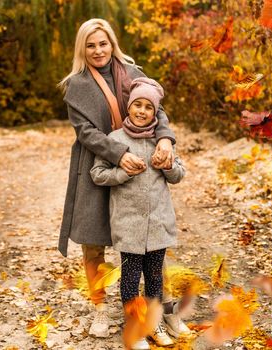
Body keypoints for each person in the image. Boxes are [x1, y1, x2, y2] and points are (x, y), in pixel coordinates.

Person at [57, 18, 178, 338]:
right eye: (91, 45)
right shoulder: (76, 85)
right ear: (82, 48)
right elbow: (86, 133)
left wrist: (165, 138)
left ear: (112, 43)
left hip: (141, 162)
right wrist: (118, 154)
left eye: (103, 43)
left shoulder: (133, 73)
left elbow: (158, 111)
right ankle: (100, 308)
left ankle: (163, 305)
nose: (98, 50)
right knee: (93, 243)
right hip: (97, 164)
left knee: (151, 237)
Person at [90, 77, 186, 349]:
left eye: (149, 107)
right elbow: (97, 174)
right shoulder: (115, 140)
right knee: (131, 277)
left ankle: (153, 322)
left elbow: (179, 173)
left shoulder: (163, 140)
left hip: (158, 223)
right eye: (137, 105)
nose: (142, 111)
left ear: (156, 113)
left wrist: (167, 165)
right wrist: (122, 172)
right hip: (128, 223)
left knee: (155, 277)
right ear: (129, 107)